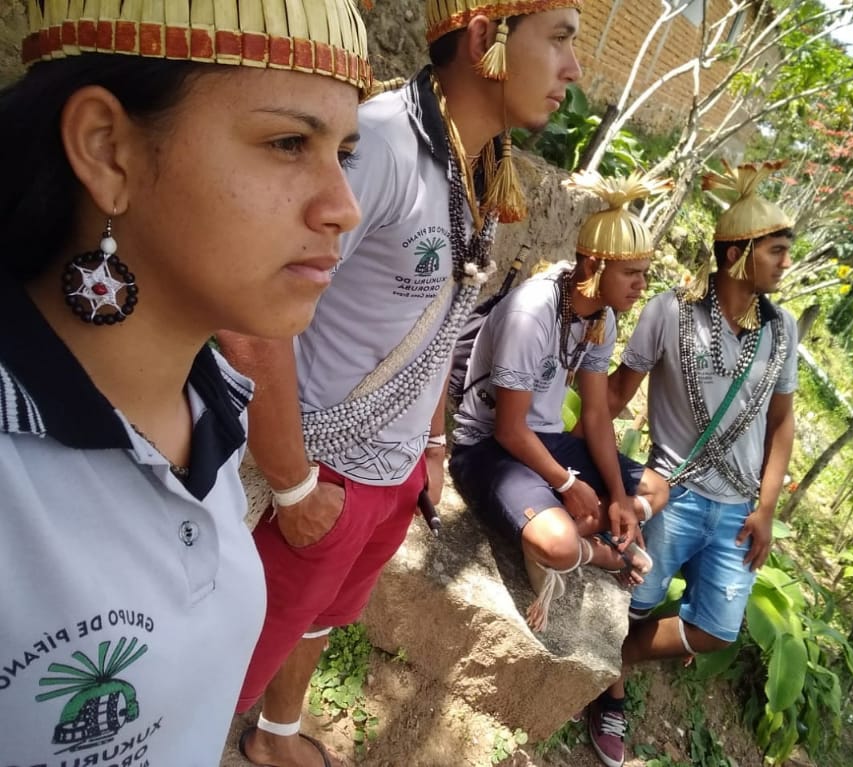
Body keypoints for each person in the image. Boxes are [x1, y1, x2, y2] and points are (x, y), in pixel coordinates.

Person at [0, 1, 369, 764]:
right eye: (288, 142)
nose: (343, 207)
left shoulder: (211, 405)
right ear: (108, 150)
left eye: (346, 153)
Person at [218, 3, 583, 765]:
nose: (574, 70)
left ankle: (276, 735)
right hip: (319, 468)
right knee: (228, 662)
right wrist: (292, 484)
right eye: (560, 40)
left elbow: (441, 319)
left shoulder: (480, 165)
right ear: (485, 38)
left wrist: (433, 442)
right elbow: (249, 306)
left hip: (390, 472)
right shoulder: (378, 142)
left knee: (323, 617)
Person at [586, 161, 798, 767]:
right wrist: (572, 455)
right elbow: (620, 393)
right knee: (635, 596)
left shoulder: (781, 334)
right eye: (776, 251)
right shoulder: (668, 313)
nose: (786, 264)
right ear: (737, 253)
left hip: (737, 513)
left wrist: (767, 509)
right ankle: (609, 693)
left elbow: (781, 423)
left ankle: (613, 660)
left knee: (714, 629)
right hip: (670, 494)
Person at [449, 172, 671, 632]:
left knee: (654, 490)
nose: (641, 285)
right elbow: (508, 429)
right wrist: (569, 484)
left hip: (545, 440)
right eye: (631, 273)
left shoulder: (600, 319)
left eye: (644, 273)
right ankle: (598, 553)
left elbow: (594, 414)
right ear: (592, 265)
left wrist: (617, 499)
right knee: (561, 544)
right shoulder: (533, 311)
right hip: (489, 447)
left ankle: (584, 528)